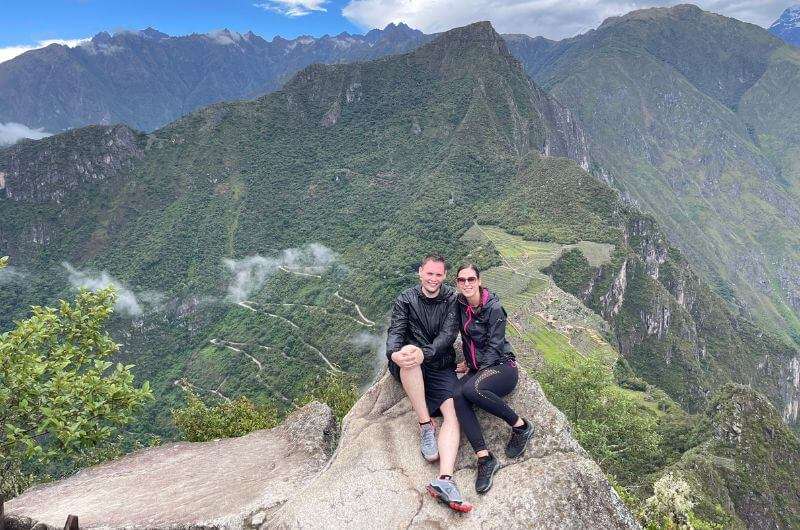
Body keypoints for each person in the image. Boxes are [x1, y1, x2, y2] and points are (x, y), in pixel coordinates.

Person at [386, 253, 471, 512]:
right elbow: (396, 332)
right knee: (409, 353)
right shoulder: (406, 299)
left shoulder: (451, 299)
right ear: (420, 272)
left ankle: (445, 479)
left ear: (444, 276)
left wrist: (428, 353)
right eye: (429, 273)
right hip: (412, 363)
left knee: (453, 413)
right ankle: (425, 424)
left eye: (438, 274)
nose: (433, 279)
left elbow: (448, 334)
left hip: (440, 362)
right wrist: (394, 353)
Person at [452, 263, 535, 494]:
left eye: (471, 279)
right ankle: (485, 458)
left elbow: (495, 346)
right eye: (462, 280)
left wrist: (473, 368)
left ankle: (521, 426)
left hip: (501, 367)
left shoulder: (494, 308)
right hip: (479, 367)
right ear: (457, 283)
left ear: (479, 281)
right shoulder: (459, 304)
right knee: (457, 395)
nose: (466, 284)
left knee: (470, 389)